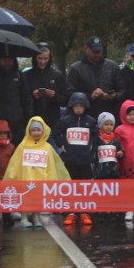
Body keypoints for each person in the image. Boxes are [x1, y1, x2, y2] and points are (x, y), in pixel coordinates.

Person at [4, 117, 70, 227]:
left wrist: (51, 179)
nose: (36, 133)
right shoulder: (23, 146)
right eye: (33, 130)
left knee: (38, 199)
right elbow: (15, 163)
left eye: (38, 130)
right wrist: (11, 176)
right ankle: (24, 218)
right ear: (29, 131)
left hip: (41, 179)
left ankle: (36, 217)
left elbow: (52, 165)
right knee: (25, 198)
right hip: (25, 178)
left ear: (43, 131)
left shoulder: (47, 147)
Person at [52, 93, 97, 228]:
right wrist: (61, 145)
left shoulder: (91, 121)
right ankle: (70, 211)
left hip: (85, 159)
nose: (78, 109)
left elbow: (95, 135)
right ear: (71, 107)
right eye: (76, 106)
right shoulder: (65, 120)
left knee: (85, 187)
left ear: (85, 107)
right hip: (70, 159)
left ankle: (84, 212)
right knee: (70, 186)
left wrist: (92, 145)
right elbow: (55, 133)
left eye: (81, 106)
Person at [66, 36, 124, 121]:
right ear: (86, 49)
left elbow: (122, 89)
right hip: (85, 116)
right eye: (94, 51)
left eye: (99, 51)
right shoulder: (76, 68)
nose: (97, 54)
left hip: (109, 117)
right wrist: (89, 97)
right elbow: (69, 93)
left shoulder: (113, 67)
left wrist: (115, 96)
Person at [0, 55, 31, 146]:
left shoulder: (20, 76)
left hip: (16, 126)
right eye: (4, 60)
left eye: (10, 60)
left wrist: (27, 121)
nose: (7, 63)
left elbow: (26, 100)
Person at [23, 42, 68, 129]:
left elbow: (66, 100)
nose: (43, 62)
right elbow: (21, 99)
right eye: (40, 58)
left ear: (50, 58)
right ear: (35, 58)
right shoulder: (26, 76)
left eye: (45, 58)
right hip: (32, 121)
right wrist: (32, 96)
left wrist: (54, 96)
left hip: (52, 121)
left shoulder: (57, 76)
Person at [94, 112, 125, 182]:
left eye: (111, 124)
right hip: (100, 174)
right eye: (106, 124)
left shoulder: (115, 141)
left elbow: (121, 151)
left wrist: (121, 153)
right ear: (100, 125)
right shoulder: (96, 140)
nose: (109, 127)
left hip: (113, 174)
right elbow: (93, 156)